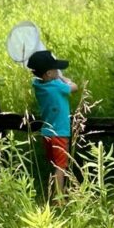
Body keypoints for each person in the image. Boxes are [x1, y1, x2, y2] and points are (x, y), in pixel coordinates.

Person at [26, 49, 78, 200]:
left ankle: (54, 191)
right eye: (56, 69)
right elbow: (74, 87)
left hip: (47, 133)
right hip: (60, 133)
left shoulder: (38, 85)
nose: (59, 71)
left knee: (54, 165)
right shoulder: (57, 86)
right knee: (60, 167)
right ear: (48, 73)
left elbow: (42, 78)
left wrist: (57, 77)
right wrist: (66, 79)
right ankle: (59, 199)